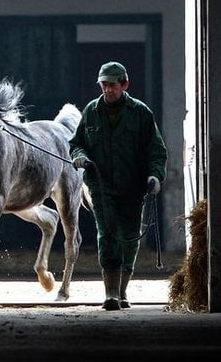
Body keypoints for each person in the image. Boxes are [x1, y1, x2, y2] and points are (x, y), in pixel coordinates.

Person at [68, 61, 167, 311]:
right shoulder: (91, 111)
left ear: (125, 84)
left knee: (130, 238)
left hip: (133, 187)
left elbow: (156, 150)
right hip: (101, 186)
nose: (107, 90)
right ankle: (110, 293)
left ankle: (123, 290)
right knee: (108, 233)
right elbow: (76, 142)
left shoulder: (141, 113)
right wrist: (79, 156)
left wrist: (155, 177)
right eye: (103, 85)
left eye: (112, 85)